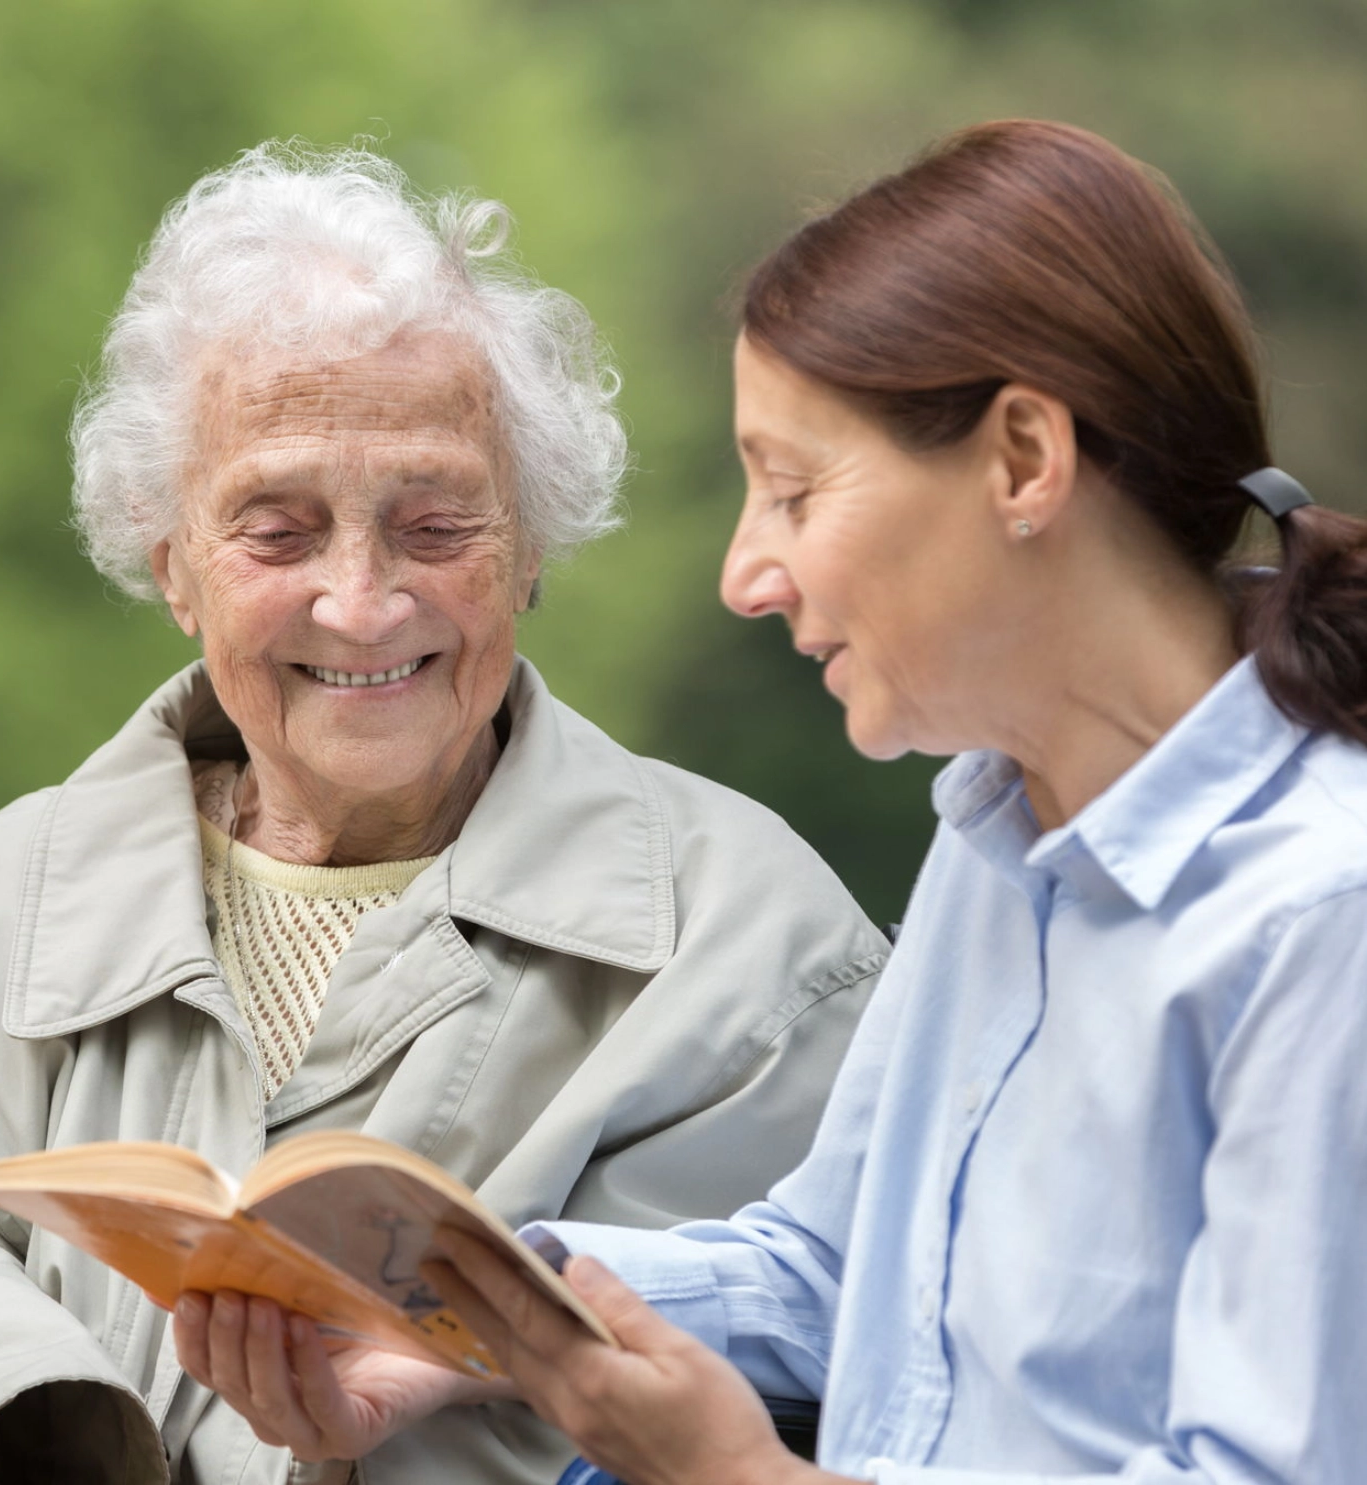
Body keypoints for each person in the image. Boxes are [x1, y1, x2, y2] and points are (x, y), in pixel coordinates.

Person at [0, 143, 887, 1485]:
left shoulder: (749, 944)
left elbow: (737, 1393)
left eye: (434, 524)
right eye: (278, 533)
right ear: (171, 564)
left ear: (533, 544)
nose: (360, 601)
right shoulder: (0, 904)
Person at [415, 120, 1367, 1484]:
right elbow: (832, 1269)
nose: (748, 573)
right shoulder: (995, 829)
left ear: (1026, 459)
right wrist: (455, 1299)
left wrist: (741, 1479)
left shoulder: (1321, 917)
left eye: (795, 492)